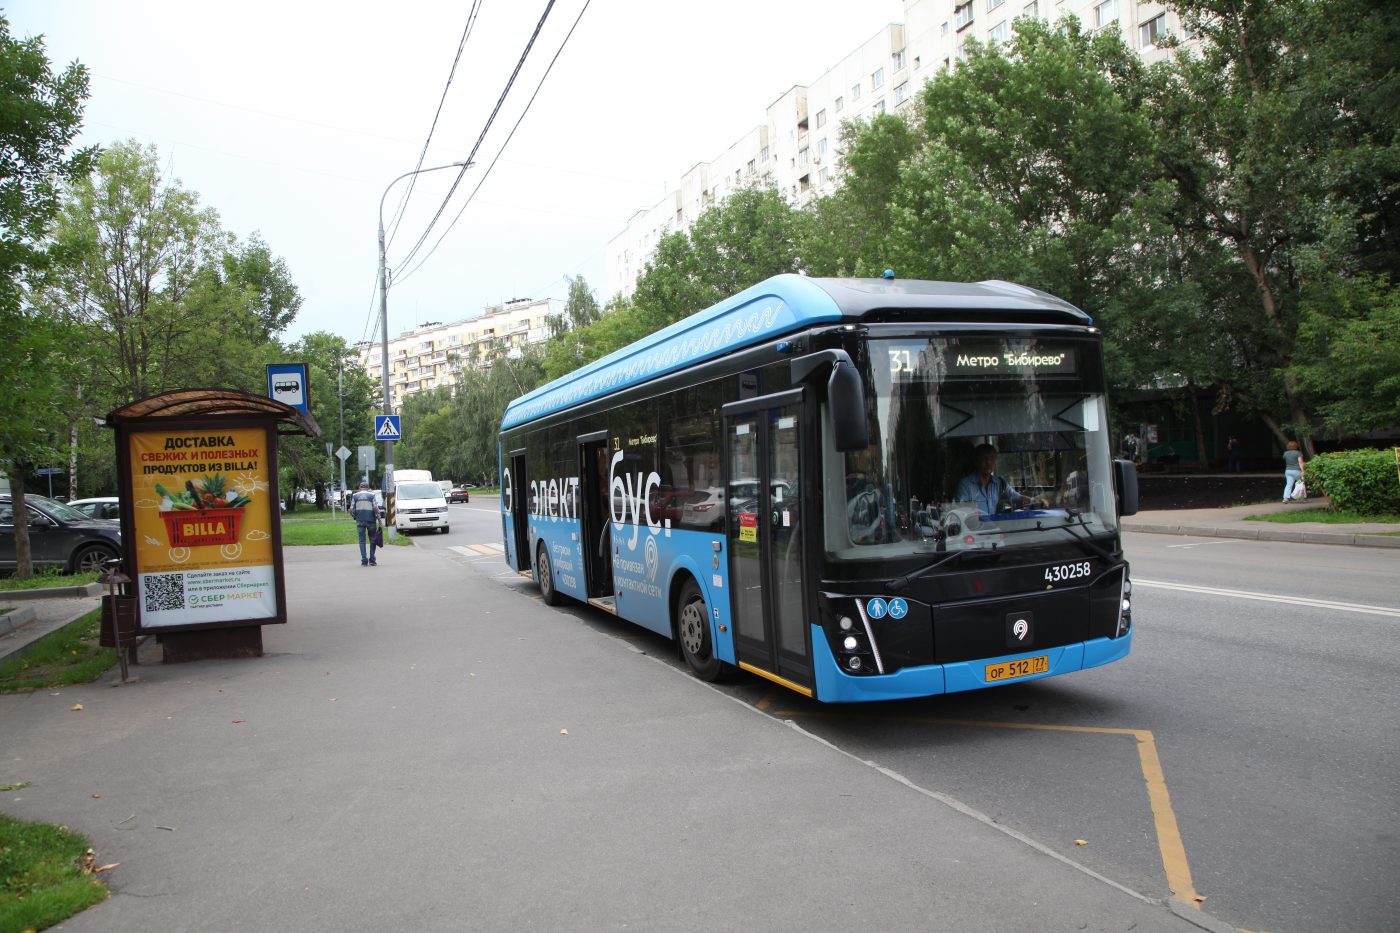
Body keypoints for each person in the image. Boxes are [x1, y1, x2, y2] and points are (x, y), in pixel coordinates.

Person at [955, 443, 1048, 514]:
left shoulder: (1000, 483)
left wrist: (1036, 501)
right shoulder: (965, 485)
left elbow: (1017, 497)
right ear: (976, 461)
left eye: (992, 458)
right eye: (984, 458)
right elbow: (962, 512)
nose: (988, 462)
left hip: (997, 530)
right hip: (974, 532)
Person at [350, 480, 382, 566]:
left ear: (360, 488)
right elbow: (375, 508)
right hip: (371, 520)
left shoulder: (355, 496)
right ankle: (372, 560)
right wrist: (379, 520)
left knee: (362, 541)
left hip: (360, 520)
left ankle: (364, 560)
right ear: (367, 488)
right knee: (372, 540)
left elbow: (351, 509)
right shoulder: (371, 495)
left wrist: (354, 516)